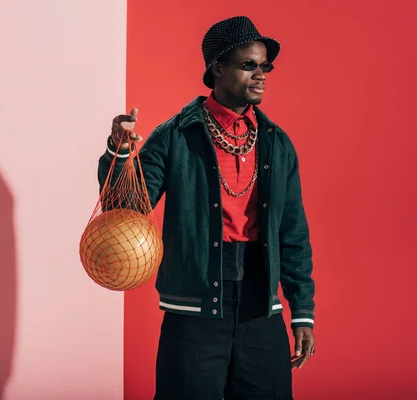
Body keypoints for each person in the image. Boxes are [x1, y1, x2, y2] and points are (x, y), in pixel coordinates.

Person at [98, 16, 316, 400]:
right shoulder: (175, 135)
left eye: (265, 66)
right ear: (217, 68)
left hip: (260, 308)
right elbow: (125, 208)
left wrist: (302, 311)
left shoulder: (276, 144)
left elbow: (292, 233)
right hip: (193, 309)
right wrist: (120, 151)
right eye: (249, 65)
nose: (261, 74)